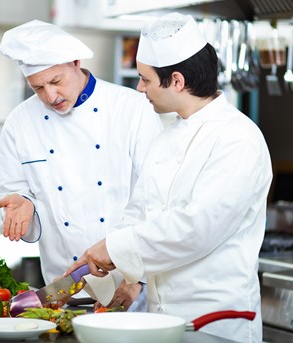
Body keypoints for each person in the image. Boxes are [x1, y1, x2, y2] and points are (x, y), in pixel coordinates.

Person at [65, 12, 272, 343]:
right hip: (163, 319)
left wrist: (114, 249)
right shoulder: (167, 134)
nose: (139, 87)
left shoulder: (238, 139)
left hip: (215, 322)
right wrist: (109, 274)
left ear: (176, 81)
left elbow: (196, 228)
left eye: (145, 79)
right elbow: (138, 213)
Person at [0, 20, 164, 310]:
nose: (50, 96)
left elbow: (156, 198)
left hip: (130, 286)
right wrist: (25, 203)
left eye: (56, 81)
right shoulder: (19, 123)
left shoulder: (132, 109)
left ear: (75, 62)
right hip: (63, 289)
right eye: (38, 88)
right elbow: (12, 192)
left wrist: (138, 279)